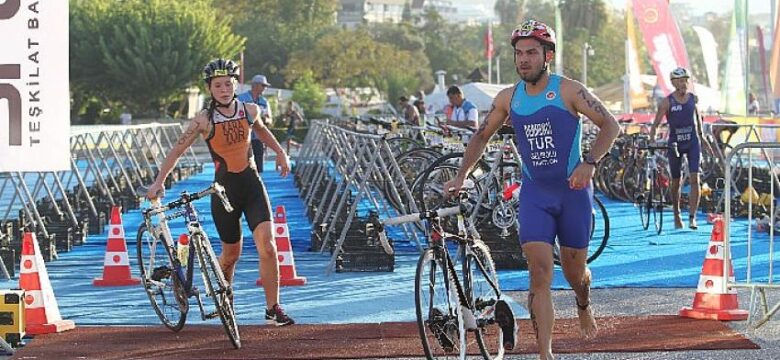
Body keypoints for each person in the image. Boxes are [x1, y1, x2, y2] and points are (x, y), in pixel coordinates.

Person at [443, 20, 620, 359]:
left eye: (531, 53)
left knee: (574, 272)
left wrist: (590, 162)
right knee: (538, 272)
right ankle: (545, 354)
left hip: (573, 192)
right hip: (536, 194)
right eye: (519, 54)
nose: (523, 60)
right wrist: (461, 175)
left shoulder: (569, 90)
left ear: (547, 56)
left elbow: (609, 125)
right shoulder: (509, 98)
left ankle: (583, 302)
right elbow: (481, 136)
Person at [145, 59, 295, 326]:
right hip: (223, 192)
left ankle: (273, 308)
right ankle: (226, 302)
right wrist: (158, 182)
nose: (224, 89)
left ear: (236, 85)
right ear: (210, 89)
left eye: (228, 84)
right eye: (218, 85)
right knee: (231, 256)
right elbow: (177, 151)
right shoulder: (204, 120)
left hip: (251, 185)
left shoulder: (250, 110)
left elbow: (262, 131)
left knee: (268, 247)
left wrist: (280, 152)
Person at [650, 67, 704, 230]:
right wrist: (652, 139)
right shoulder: (667, 101)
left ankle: (692, 217)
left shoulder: (693, 98)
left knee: (695, 179)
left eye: (686, 80)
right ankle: (676, 213)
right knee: (676, 181)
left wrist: (702, 135)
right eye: (681, 81)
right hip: (675, 144)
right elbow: (656, 124)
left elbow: (698, 118)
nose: (684, 83)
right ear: (674, 83)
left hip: (692, 142)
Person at [238, 74, 273, 173]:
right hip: (243, 138)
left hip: (258, 138)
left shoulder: (264, 102)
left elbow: (270, 119)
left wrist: (266, 120)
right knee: (243, 166)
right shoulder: (241, 99)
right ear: (256, 85)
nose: (265, 88)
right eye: (263, 86)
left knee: (258, 165)